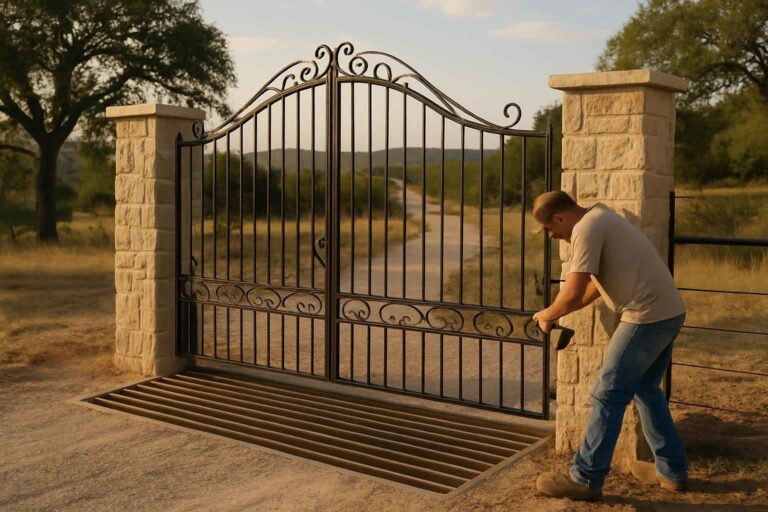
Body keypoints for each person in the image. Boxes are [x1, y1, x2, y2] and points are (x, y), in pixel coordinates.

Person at [531, 191, 688, 502]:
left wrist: (547, 315)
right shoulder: (600, 218)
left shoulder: (586, 228)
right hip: (669, 312)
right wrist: (555, 312)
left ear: (560, 218)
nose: (551, 236)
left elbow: (575, 292)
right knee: (645, 388)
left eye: (550, 229)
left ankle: (586, 479)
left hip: (646, 317)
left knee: (608, 392)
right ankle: (671, 472)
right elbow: (591, 289)